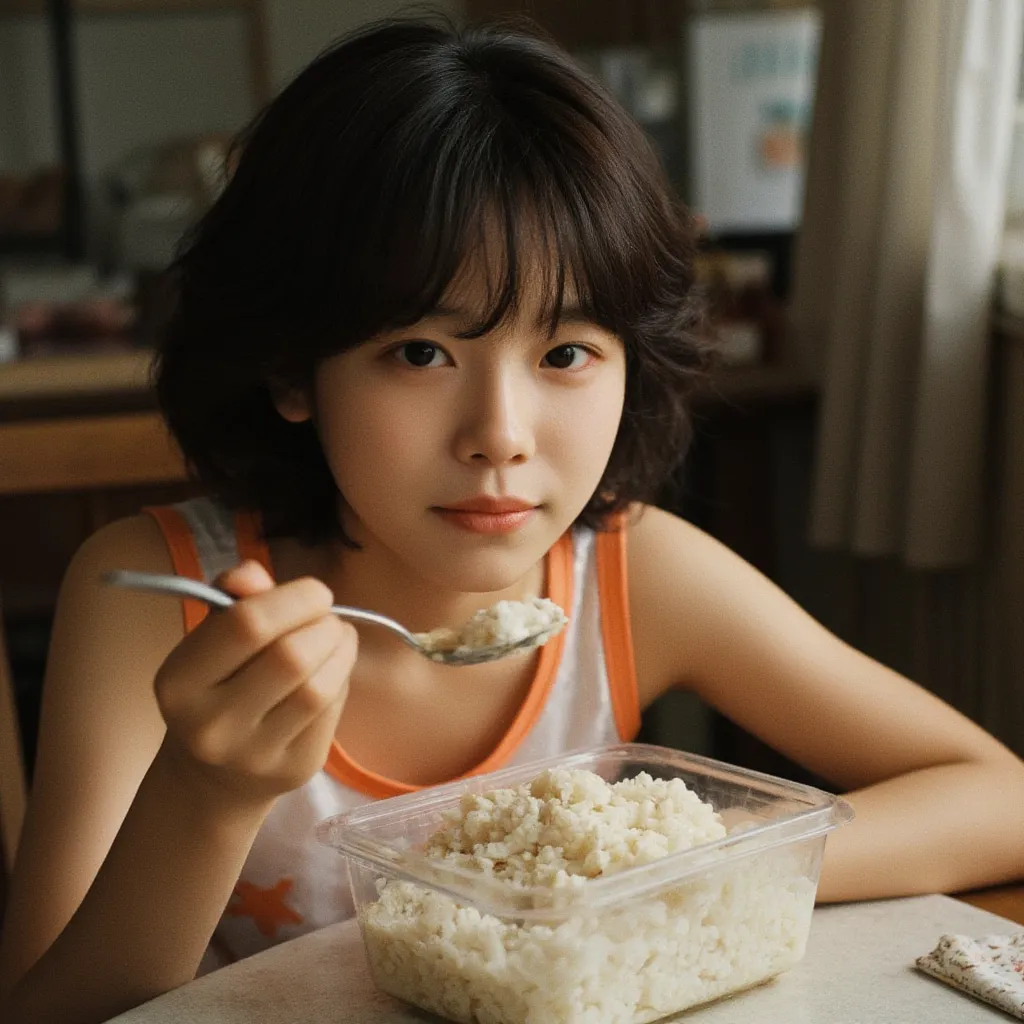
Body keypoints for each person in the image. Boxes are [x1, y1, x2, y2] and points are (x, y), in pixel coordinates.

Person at [2, 16, 1023, 1024]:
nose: (500, 435)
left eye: (566, 353)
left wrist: (676, 866)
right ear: (291, 366)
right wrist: (206, 791)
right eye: (419, 353)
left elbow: (999, 795)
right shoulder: (152, 595)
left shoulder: (629, 573)